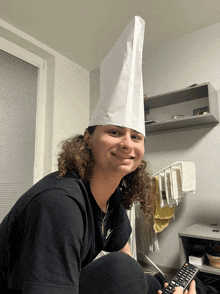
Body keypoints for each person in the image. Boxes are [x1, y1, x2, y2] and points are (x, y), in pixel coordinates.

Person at [0, 16, 199, 293]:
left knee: (163, 281)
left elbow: (125, 252)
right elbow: (124, 267)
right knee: (123, 270)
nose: (128, 144)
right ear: (88, 138)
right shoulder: (59, 204)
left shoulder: (112, 201)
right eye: (115, 132)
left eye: (136, 137)